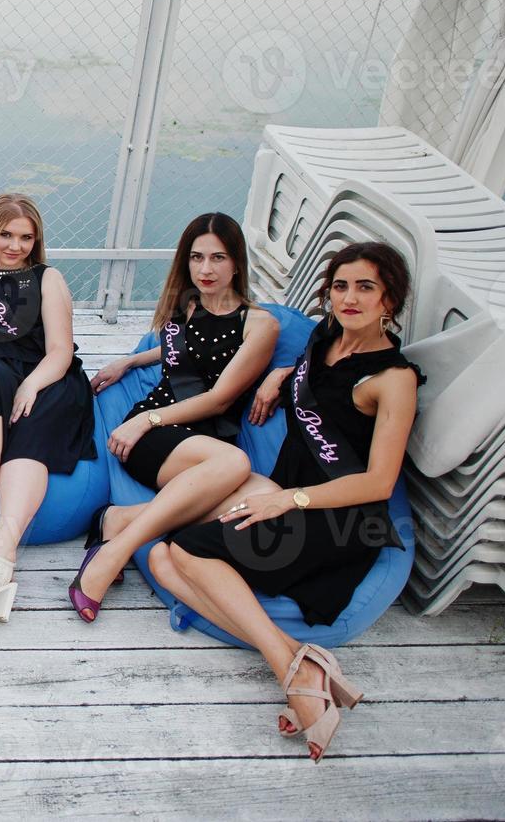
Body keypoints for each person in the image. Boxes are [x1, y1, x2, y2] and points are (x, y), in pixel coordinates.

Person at [152, 242, 421, 762]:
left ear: (390, 298)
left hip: (337, 518)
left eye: (366, 287)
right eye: (341, 285)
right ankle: (302, 662)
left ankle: (292, 674)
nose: (349, 298)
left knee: (180, 551)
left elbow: (379, 484)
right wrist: (279, 376)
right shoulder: (327, 339)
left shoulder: (394, 380)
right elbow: (309, 372)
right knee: (160, 559)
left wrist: (290, 502)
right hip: (285, 496)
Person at [79, 212, 278, 622]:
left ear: (237, 262)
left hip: (200, 439)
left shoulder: (260, 325)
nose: (205, 269)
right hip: (155, 438)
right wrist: (131, 361)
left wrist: (285, 370)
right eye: (197, 257)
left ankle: (114, 521)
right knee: (234, 463)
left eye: (218, 258)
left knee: (269, 499)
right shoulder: (187, 306)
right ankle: (110, 556)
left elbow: (220, 399)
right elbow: (181, 350)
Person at [0, 194, 97, 621]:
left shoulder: (48, 279)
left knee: (31, 427)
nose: (14, 246)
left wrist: (31, 386)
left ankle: (1, 555)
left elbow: (60, 352)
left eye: (26, 237)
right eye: (6, 235)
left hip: (46, 374)